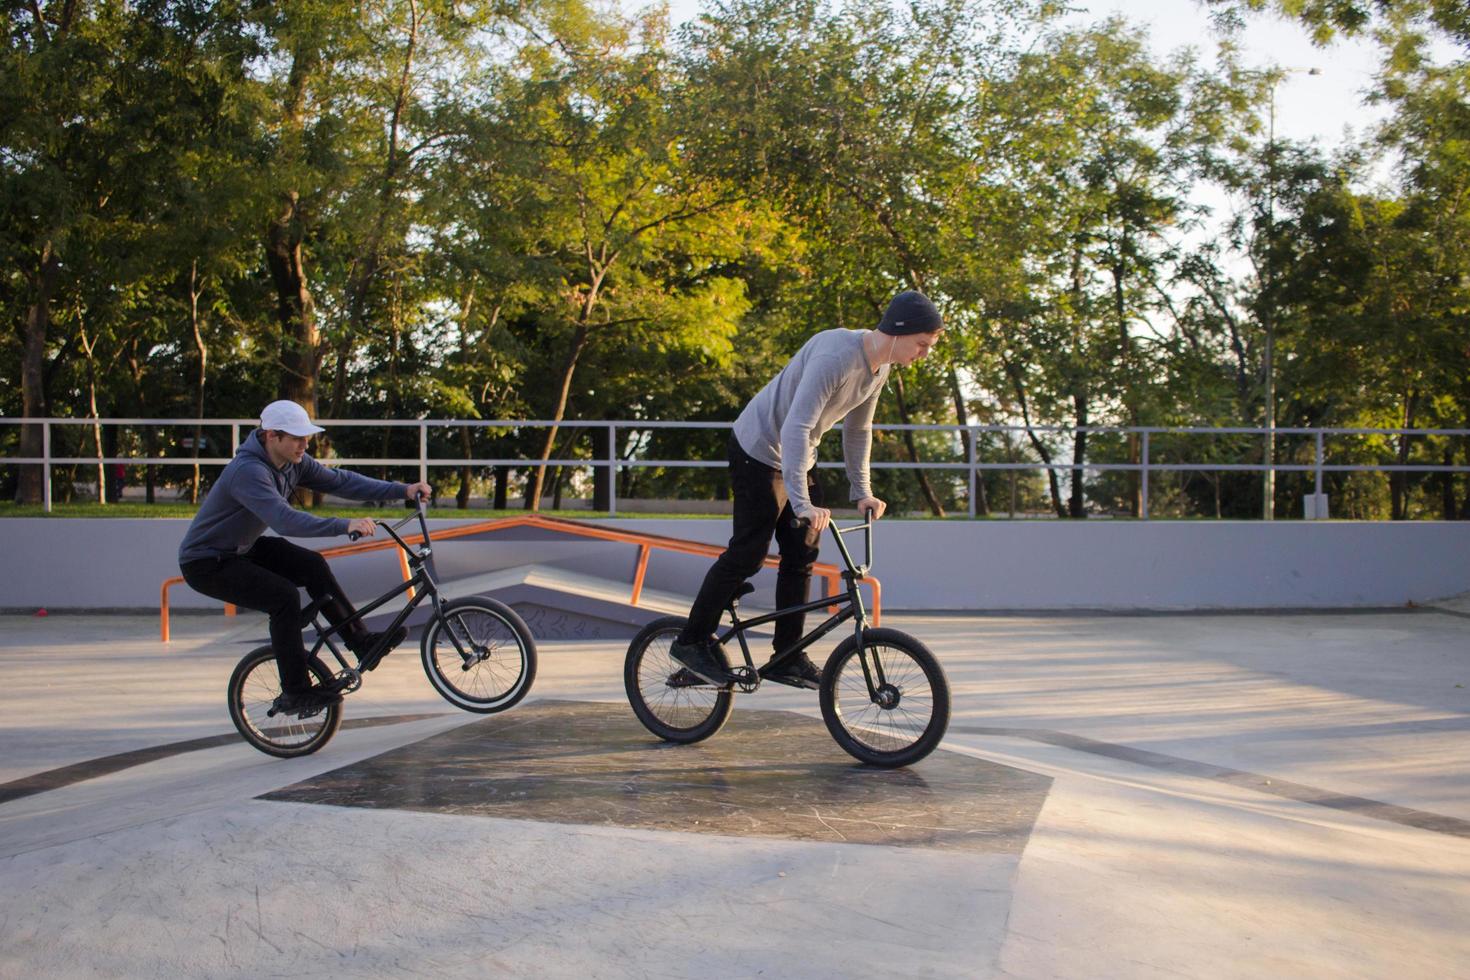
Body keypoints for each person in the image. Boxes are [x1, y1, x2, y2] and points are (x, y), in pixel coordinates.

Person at [670, 290, 943, 687]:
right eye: (922, 345)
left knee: (802, 550)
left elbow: (858, 429)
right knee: (749, 552)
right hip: (758, 449)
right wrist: (801, 502)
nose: (923, 354)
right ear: (899, 332)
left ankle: (786, 655)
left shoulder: (880, 367)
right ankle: (691, 641)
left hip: (798, 454)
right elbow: (795, 426)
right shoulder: (837, 355)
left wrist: (861, 490)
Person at [179, 400, 432, 714]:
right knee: (283, 598)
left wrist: (402, 490)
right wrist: (344, 525)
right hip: (206, 562)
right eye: (297, 438)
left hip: (240, 548)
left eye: (306, 437)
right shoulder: (248, 472)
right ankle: (295, 692)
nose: (305, 444)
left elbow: (341, 481)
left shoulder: (293, 461)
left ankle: (361, 642)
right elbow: (286, 521)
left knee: (312, 565)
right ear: (272, 436)